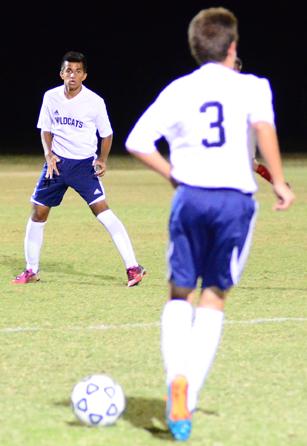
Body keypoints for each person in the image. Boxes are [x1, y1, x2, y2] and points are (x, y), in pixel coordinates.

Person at [125, 7, 294, 441]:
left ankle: (176, 378)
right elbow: (265, 128)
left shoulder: (178, 90)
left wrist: (173, 175)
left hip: (190, 198)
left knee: (179, 292)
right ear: (232, 47)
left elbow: (137, 141)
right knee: (215, 296)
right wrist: (278, 181)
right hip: (234, 201)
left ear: (195, 46)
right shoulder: (253, 86)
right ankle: (188, 394)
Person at [13, 51, 145, 287]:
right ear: (61, 73)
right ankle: (31, 270)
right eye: (68, 70)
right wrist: (49, 154)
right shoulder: (51, 97)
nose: (72, 75)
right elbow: (45, 129)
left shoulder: (94, 101)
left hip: (84, 166)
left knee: (103, 212)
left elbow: (107, 134)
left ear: (84, 75)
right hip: (57, 165)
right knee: (38, 212)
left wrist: (102, 160)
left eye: (77, 71)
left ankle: (133, 267)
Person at [234, 56, 274, 184]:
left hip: (244, 126)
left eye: (235, 67)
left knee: (249, 163)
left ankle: (278, 182)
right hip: (232, 126)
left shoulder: (244, 84)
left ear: (238, 68)